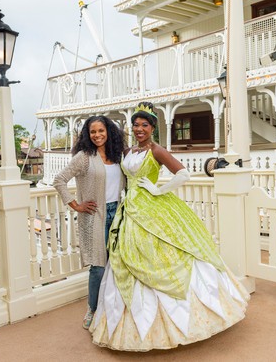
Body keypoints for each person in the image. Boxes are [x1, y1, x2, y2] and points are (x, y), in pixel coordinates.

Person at [90, 102, 249, 351]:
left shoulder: (157, 150)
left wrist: (158, 189)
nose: (139, 129)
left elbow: (183, 174)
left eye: (144, 125)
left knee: (168, 253)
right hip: (130, 210)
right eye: (136, 125)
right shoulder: (128, 150)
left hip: (152, 208)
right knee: (127, 257)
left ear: (152, 128)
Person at [53, 115, 126, 330]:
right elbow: (60, 180)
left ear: (108, 132)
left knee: (119, 263)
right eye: (93, 132)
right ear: (88, 134)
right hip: (95, 215)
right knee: (98, 267)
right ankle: (92, 309)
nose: (97, 135)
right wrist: (76, 205)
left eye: (101, 131)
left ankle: (114, 306)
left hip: (119, 213)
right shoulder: (84, 157)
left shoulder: (117, 155)